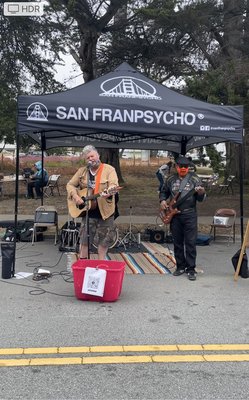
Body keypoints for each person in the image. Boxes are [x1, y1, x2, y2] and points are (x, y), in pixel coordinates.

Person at [66, 145, 119, 260]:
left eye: (92, 156)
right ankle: (83, 263)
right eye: (87, 158)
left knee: (104, 240)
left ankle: (101, 263)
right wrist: (75, 196)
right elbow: (70, 185)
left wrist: (109, 192)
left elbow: (113, 185)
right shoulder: (82, 171)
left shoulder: (109, 169)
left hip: (105, 212)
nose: (90, 159)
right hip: (88, 212)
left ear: (98, 155)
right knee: (84, 240)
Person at [159, 155, 206, 281]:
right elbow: (163, 192)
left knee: (190, 242)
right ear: (176, 167)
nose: (184, 169)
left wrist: (201, 193)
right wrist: (162, 200)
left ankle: (191, 269)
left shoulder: (195, 179)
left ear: (189, 167)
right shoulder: (170, 179)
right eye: (181, 166)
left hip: (190, 214)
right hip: (175, 215)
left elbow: (200, 199)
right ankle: (180, 266)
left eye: (186, 166)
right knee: (177, 242)